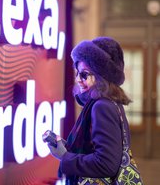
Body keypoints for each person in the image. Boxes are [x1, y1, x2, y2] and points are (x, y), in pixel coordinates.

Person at [48, 37, 133, 184]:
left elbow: (106, 164)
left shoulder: (102, 107)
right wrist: (67, 149)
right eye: (77, 73)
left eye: (84, 74)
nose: (78, 79)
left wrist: (65, 157)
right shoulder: (109, 103)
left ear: (101, 77)